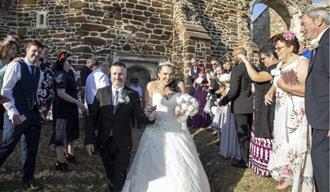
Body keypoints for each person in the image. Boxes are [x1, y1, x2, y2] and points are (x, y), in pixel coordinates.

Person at [122, 60, 210, 192]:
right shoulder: (150, 86)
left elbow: (185, 106)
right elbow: (147, 109)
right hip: (156, 130)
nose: (167, 77)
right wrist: (149, 113)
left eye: (171, 74)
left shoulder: (179, 85)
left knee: (179, 166)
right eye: (164, 74)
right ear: (158, 72)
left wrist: (182, 112)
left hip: (177, 130)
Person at [85, 62, 155, 192]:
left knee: (120, 175)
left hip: (123, 143)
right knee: (110, 173)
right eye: (115, 74)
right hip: (104, 142)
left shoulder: (132, 95)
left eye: (121, 74)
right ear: (110, 74)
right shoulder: (101, 93)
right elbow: (92, 118)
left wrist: (151, 117)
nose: (118, 77)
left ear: (126, 75)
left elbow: (139, 117)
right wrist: (89, 140)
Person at [265, 32, 314, 191]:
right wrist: (270, 92)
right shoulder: (280, 65)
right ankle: (288, 174)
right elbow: (276, 82)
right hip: (282, 113)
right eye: (276, 48)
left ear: (291, 47)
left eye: (279, 48)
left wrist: (286, 87)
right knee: (283, 142)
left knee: (296, 144)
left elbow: (308, 90)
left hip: (296, 113)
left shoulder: (301, 62)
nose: (276, 51)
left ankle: (300, 178)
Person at [0, 40, 44, 190]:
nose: (36, 54)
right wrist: (13, 112)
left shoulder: (39, 71)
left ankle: (28, 178)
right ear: (26, 50)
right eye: (34, 50)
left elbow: (35, 94)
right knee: (7, 145)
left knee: (32, 148)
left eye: (39, 52)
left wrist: (40, 111)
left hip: (32, 115)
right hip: (15, 113)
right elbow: (6, 92)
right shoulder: (16, 66)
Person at [237, 44, 278, 177]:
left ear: (272, 56)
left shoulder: (274, 70)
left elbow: (256, 77)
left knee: (267, 131)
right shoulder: (269, 68)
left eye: (264, 58)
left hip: (268, 107)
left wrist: (246, 61)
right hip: (261, 106)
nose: (263, 61)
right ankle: (261, 164)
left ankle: (268, 166)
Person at [300, 8, 329, 192]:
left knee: (324, 168)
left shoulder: (328, 44)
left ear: (318, 20)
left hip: (326, 120)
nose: (301, 29)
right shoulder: (322, 43)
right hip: (321, 119)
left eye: (303, 23)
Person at [218, 47, 253, 168]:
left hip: (240, 106)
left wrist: (223, 101)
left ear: (239, 56)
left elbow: (233, 92)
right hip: (252, 105)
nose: (232, 59)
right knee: (251, 132)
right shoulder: (253, 67)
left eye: (233, 56)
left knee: (243, 133)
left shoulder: (237, 70)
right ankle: (252, 156)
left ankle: (244, 160)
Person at [52, 51, 86, 171]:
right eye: (69, 61)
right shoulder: (61, 74)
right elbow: (61, 93)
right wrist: (77, 102)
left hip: (70, 108)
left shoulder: (68, 73)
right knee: (61, 135)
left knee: (71, 132)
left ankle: (70, 155)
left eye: (73, 62)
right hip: (63, 109)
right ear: (62, 61)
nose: (71, 64)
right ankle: (60, 162)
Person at [217, 59, 241, 160]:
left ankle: (232, 149)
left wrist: (227, 84)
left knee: (231, 122)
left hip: (231, 97)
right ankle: (226, 148)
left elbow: (234, 87)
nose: (225, 66)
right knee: (226, 122)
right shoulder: (226, 74)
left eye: (227, 64)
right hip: (226, 96)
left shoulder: (235, 72)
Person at [187, 63, 211, 129]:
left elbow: (209, 83)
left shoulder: (207, 74)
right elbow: (194, 84)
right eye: (201, 68)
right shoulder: (197, 74)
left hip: (203, 90)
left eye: (203, 67)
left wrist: (204, 84)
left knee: (202, 105)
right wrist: (195, 82)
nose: (202, 69)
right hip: (197, 91)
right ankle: (194, 122)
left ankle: (203, 122)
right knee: (196, 105)